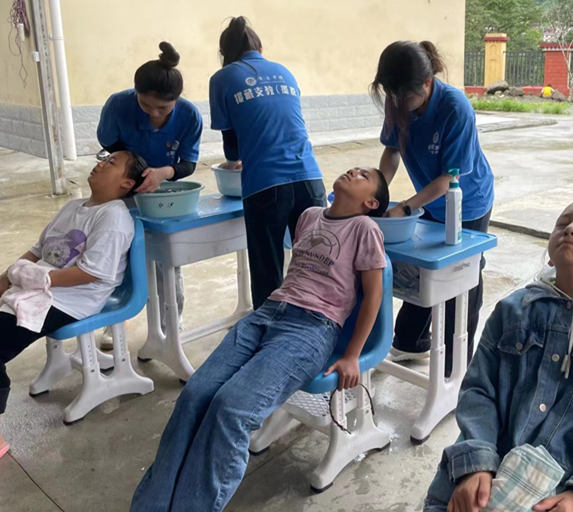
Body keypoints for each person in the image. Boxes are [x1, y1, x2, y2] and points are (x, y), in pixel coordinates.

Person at [130, 167, 390, 511]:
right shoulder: (309, 216)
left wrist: (353, 355)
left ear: (371, 202)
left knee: (231, 407)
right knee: (194, 394)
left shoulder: (365, 228)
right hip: (267, 314)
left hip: (312, 328)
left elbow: (373, 296)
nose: (354, 170)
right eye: (355, 169)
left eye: (364, 176)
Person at [423, 200, 573, 512]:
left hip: (568, 494)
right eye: (562, 223)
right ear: (550, 256)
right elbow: (479, 392)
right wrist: (476, 463)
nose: (570, 229)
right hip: (484, 482)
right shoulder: (513, 311)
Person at [0, 151, 146, 480]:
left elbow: (91, 273)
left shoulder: (114, 217)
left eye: (111, 163)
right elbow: (37, 251)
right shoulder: (74, 207)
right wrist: (5, 277)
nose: (101, 163)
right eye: (103, 159)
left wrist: (37, 278)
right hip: (37, 283)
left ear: (127, 183)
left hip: (69, 299)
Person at [371, 40, 495, 375]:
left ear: (427, 83)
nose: (398, 103)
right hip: (428, 197)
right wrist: (378, 192)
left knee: (461, 275)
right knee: (422, 268)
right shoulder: (398, 98)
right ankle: (409, 342)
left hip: (466, 202)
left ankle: (457, 367)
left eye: (405, 97)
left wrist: (405, 208)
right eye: (392, 95)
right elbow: (391, 151)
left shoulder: (455, 108)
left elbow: (448, 180)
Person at [209, 16, 325, 309]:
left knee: (267, 273)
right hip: (311, 180)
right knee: (316, 268)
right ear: (259, 48)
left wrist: (234, 162)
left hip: (265, 184)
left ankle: (267, 331)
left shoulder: (222, 78)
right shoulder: (283, 71)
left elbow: (231, 145)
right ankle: (312, 329)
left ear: (225, 53)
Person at [97, 41, 203, 348]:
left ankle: (172, 322)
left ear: (176, 101)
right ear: (135, 93)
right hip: (124, 188)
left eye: (163, 108)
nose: (154, 113)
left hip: (162, 193)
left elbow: (188, 163)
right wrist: (134, 172)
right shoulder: (118, 105)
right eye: (146, 106)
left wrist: (162, 173)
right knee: (117, 255)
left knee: (166, 259)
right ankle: (116, 318)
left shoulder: (190, 116)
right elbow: (110, 146)